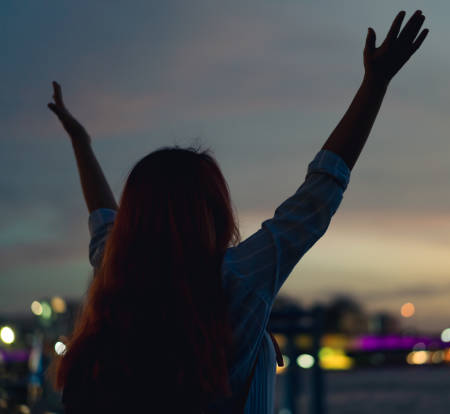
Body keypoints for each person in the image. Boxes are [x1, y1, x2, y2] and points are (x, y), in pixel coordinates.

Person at [47, 9, 428, 414]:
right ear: (211, 214)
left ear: (134, 223)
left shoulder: (116, 284)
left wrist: (82, 144)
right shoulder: (237, 284)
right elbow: (319, 193)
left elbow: (103, 221)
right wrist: (375, 83)